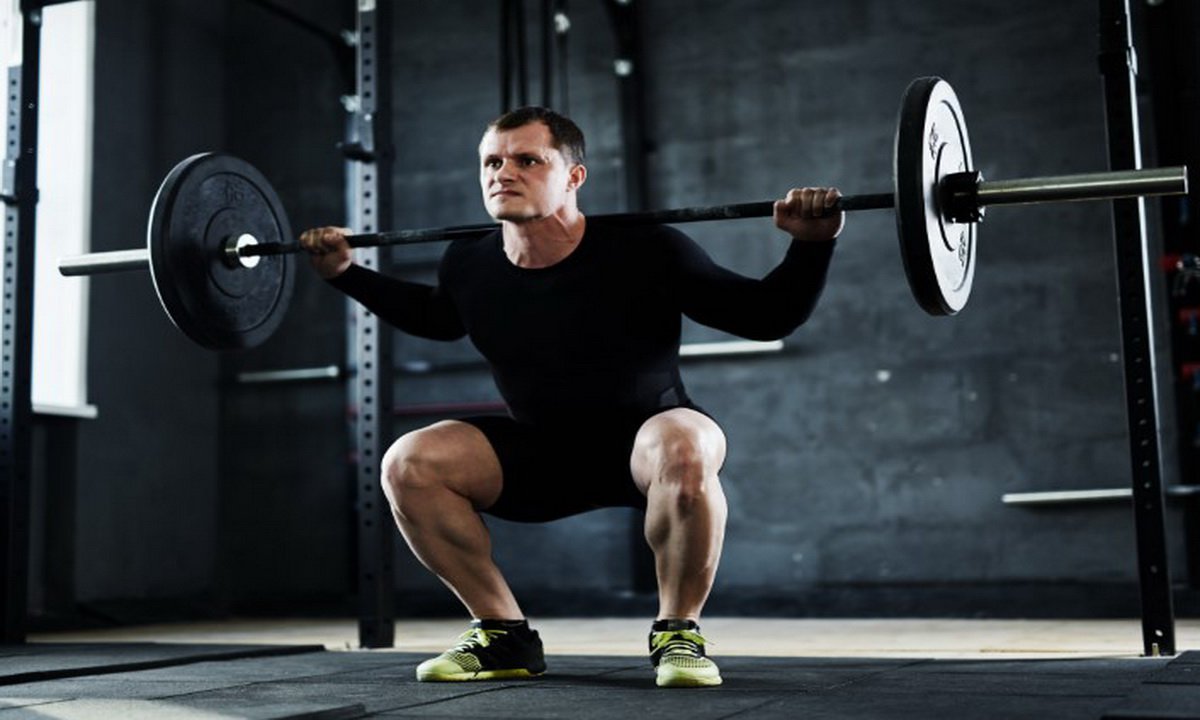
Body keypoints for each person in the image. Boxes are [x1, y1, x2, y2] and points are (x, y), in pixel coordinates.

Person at [299, 106, 842, 688]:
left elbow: (764, 315)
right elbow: (438, 318)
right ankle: (503, 634)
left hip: (648, 445)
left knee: (685, 441)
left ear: (573, 176)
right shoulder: (470, 261)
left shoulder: (646, 249)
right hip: (544, 453)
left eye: (527, 160)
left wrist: (812, 246)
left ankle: (678, 633)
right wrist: (346, 274)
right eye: (492, 162)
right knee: (408, 462)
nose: (503, 173)